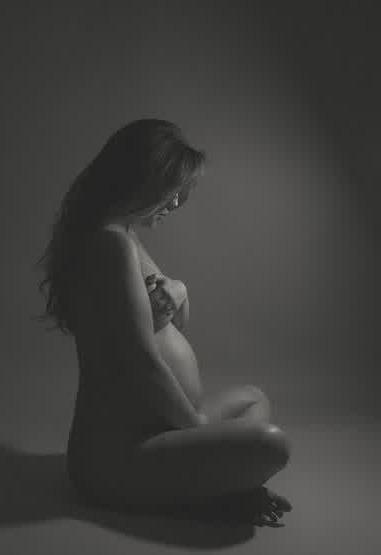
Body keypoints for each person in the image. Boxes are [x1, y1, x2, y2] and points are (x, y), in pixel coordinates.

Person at [35, 118, 293, 526]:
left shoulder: (125, 237)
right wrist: (196, 429)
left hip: (161, 429)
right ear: (140, 180)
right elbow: (143, 362)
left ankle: (216, 483)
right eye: (170, 190)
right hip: (119, 457)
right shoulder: (109, 243)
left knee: (253, 398)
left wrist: (179, 290)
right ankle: (220, 490)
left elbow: (175, 323)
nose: (175, 203)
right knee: (272, 444)